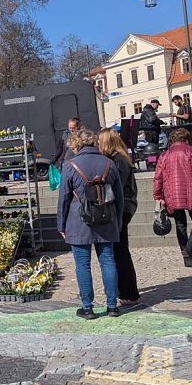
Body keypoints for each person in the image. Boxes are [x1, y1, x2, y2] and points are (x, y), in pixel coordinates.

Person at [57, 129, 124, 320]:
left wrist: (61, 225)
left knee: (82, 265)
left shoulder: (70, 166)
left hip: (79, 221)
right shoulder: (109, 164)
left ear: (76, 144)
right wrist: (117, 221)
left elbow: (63, 199)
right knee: (108, 261)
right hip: (106, 218)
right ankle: (112, 306)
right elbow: (119, 198)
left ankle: (87, 307)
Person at [153, 127, 192, 269]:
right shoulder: (191, 151)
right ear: (186, 139)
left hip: (172, 192)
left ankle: (186, 255)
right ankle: (188, 250)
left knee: (180, 224)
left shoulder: (164, 155)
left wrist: (158, 195)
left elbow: (158, 177)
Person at [98, 128, 139, 305]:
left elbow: (117, 188)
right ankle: (123, 289)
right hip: (125, 206)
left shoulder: (118, 161)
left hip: (122, 208)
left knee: (120, 250)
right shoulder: (119, 159)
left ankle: (129, 292)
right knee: (119, 250)